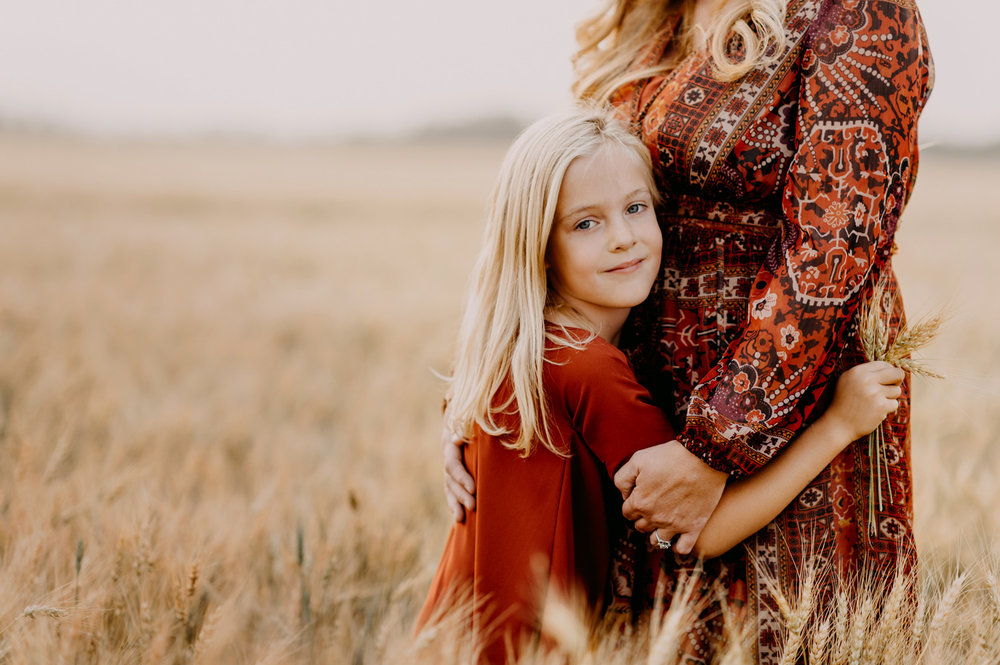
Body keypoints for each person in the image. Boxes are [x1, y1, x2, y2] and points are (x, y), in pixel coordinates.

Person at [445, 1, 932, 662]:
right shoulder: (659, 11)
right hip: (640, 398)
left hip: (781, 413)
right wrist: (479, 408)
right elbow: (550, 206)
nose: (619, 234)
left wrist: (717, 443)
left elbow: (833, 246)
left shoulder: (857, 14)